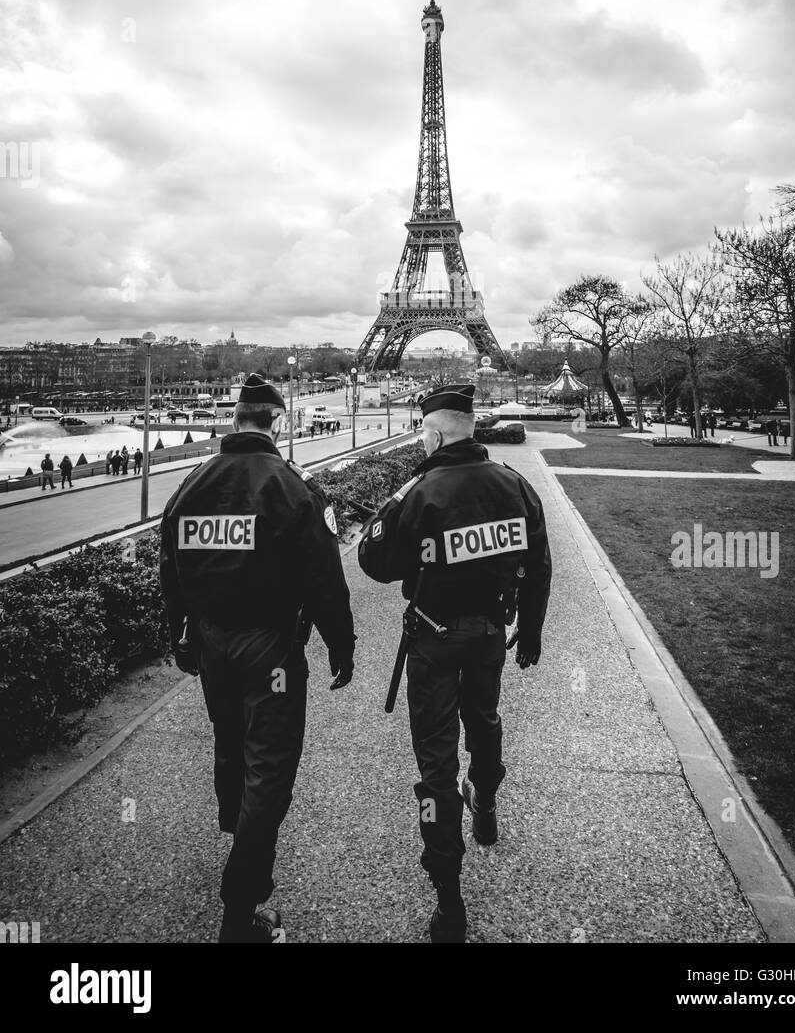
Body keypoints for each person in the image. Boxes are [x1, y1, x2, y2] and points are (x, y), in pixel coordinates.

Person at [159, 374, 356, 945]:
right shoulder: (292, 488)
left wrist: (180, 634)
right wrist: (340, 645)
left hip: (212, 642)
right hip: (270, 644)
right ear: (276, 422)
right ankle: (240, 905)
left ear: (234, 418)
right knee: (271, 767)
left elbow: (170, 568)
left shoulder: (190, 487)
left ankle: (236, 828)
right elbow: (325, 579)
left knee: (229, 740)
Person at [358, 383, 552, 944]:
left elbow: (376, 563)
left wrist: (391, 509)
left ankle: (449, 896)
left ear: (435, 432)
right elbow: (538, 566)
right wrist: (531, 631)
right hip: (491, 632)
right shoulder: (516, 486)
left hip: (433, 640)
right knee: (485, 719)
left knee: (435, 768)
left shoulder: (421, 491)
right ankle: (486, 794)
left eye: (424, 432)